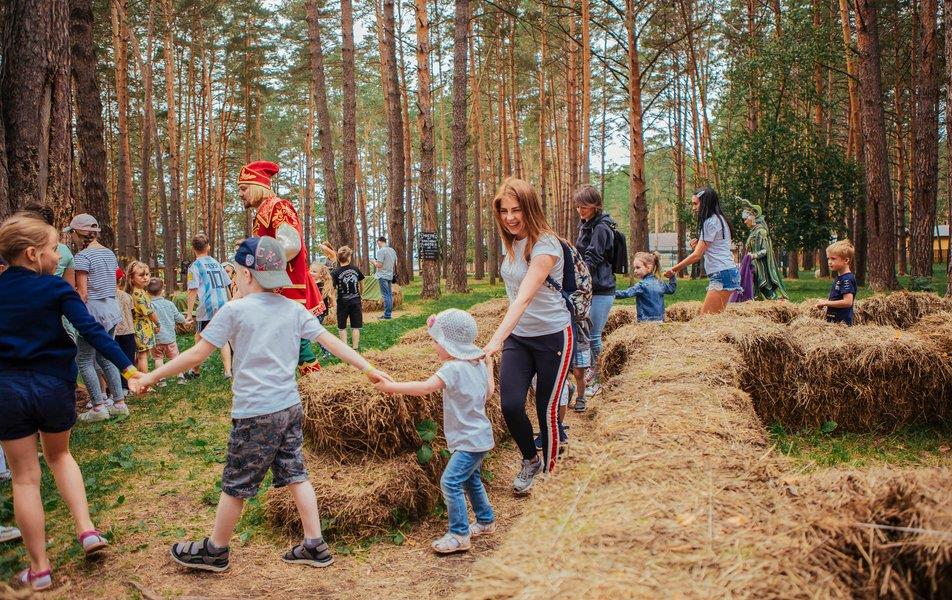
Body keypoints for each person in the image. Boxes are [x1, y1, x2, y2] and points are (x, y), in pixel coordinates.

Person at [129, 236, 390, 573]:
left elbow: (196, 355)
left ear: (247, 274)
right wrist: (369, 369)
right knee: (296, 474)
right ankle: (314, 543)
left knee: (236, 483)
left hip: (255, 412)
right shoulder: (293, 309)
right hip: (289, 407)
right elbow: (331, 342)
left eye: (237, 273)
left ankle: (215, 550)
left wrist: (150, 377)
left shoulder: (234, 311)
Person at [0, 215, 141, 591]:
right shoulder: (55, 289)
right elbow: (92, 330)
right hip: (53, 387)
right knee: (60, 457)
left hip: (7, 391)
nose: (58, 256)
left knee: (24, 478)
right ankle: (87, 530)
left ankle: (39, 570)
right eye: (52, 250)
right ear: (32, 254)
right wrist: (128, 370)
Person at [374, 309, 495, 554]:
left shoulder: (452, 369)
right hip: (480, 437)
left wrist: (392, 387)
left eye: (435, 341)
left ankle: (459, 534)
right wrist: (489, 366)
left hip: (468, 441)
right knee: (471, 479)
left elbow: (425, 388)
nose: (433, 346)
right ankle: (485, 521)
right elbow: (489, 393)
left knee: (450, 482)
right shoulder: (477, 364)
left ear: (449, 344)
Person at [483, 178, 574, 495]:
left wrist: (496, 339)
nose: (510, 218)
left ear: (530, 208)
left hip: (552, 337)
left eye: (516, 210)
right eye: (504, 211)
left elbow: (522, 298)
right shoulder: (511, 241)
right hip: (520, 338)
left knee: (547, 411)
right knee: (510, 405)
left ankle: (550, 478)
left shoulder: (546, 246)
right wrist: (507, 335)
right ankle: (530, 460)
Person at [238, 160, 326, 374]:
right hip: (274, 287)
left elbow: (291, 245)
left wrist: (255, 254)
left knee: (296, 340)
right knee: (284, 340)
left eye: (244, 188)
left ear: (258, 185)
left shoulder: (278, 207)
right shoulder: (263, 211)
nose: (240, 194)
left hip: (286, 286)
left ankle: (315, 382)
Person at [67, 214, 129, 422]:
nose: (71, 237)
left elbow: (83, 293)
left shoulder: (82, 257)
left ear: (78, 233)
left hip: (93, 312)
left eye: (72, 233)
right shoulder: (109, 253)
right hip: (111, 308)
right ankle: (119, 403)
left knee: (84, 359)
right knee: (105, 356)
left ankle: (98, 406)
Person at [664, 187, 741, 315]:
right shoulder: (720, 219)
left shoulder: (710, 222)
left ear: (705, 203)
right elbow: (715, 247)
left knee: (705, 319)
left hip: (722, 273)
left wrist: (674, 269)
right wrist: (699, 243)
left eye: (695, 203)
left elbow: (696, 256)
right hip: (726, 272)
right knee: (712, 319)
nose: (693, 208)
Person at [573, 185, 617, 399]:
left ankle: (601, 378)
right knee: (588, 334)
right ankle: (594, 371)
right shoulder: (587, 224)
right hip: (591, 288)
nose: (580, 210)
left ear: (595, 205)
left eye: (584, 206)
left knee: (594, 336)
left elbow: (592, 257)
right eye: (578, 206)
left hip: (602, 288)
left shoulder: (601, 228)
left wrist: (577, 277)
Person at [186, 233, 233, 378]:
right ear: (208, 247)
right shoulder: (217, 263)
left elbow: (192, 291)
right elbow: (227, 284)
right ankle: (228, 371)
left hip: (207, 306)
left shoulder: (195, 266)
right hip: (222, 303)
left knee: (199, 337)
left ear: (193, 249)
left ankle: (195, 370)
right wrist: (230, 302)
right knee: (223, 338)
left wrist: (189, 314)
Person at [740, 199, 788, 300]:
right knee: (754, 292)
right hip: (753, 267)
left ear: (752, 217)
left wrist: (753, 255)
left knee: (767, 290)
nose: (745, 221)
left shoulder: (761, 231)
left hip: (762, 268)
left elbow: (765, 250)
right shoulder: (753, 232)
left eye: (746, 219)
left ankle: (778, 304)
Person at [615, 251, 678, 322]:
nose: (635, 271)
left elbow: (626, 293)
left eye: (638, 267)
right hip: (660, 320)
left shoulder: (641, 285)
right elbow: (671, 289)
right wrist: (672, 277)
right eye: (634, 268)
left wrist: (610, 293)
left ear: (648, 268)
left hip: (645, 322)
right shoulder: (660, 283)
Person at [147, 277, 188, 386]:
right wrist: (185, 321)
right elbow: (178, 317)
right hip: (170, 338)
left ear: (147, 292)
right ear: (162, 291)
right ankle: (180, 377)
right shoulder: (169, 304)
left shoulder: (148, 306)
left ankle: (161, 380)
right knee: (175, 358)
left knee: (158, 359)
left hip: (156, 339)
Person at [126, 261, 158, 374]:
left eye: (147, 274)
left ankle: (134, 376)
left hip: (141, 327)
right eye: (141, 275)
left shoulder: (139, 292)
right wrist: (158, 323)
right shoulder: (138, 294)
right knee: (143, 356)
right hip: (141, 329)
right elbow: (149, 312)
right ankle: (144, 380)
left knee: (139, 356)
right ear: (131, 278)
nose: (145, 277)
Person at [331, 246, 364, 350]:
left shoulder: (335, 272)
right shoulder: (355, 269)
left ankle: (345, 349)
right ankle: (355, 348)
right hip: (356, 301)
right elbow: (362, 283)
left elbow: (332, 289)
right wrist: (360, 294)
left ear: (338, 258)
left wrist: (333, 302)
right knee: (356, 327)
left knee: (342, 327)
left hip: (342, 303)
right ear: (349, 257)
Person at [816, 240, 856, 325]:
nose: (829, 262)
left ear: (846, 260)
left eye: (833, 258)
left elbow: (848, 302)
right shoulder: (840, 277)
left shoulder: (847, 279)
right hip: (834, 322)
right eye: (828, 258)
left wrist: (826, 302)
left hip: (842, 324)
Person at [114, 268, 137, 396]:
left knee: (114, 359)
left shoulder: (107, 297)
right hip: (128, 331)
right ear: (121, 280)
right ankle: (127, 384)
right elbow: (132, 312)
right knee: (128, 360)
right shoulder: (127, 296)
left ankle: (116, 386)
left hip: (114, 332)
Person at [371, 236, 398, 320]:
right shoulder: (392, 251)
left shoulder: (381, 251)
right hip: (390, 275)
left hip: (382, 275)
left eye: (377, 243)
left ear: (379, 242)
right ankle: (388, 314)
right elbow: (394, 263)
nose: (377, 245)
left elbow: (379, 265)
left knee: (386, 295)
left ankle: (387, 315)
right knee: (389, 295)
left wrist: (373, 261)